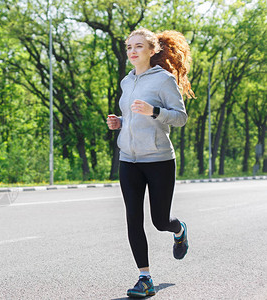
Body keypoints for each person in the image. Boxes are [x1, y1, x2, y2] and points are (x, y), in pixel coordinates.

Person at [106, 28, 194, 298]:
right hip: (129, 159)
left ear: (152, 50)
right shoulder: (126, 82)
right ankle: (145, 278)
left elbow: (180, 118)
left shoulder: (163, 80)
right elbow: (133, 119)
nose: (132, 51)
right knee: (133, 218)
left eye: (139, 46)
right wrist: (120, 123)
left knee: (159, 221)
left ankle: (179, 229)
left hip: (158, 160)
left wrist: (154, 111)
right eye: (129, 47)